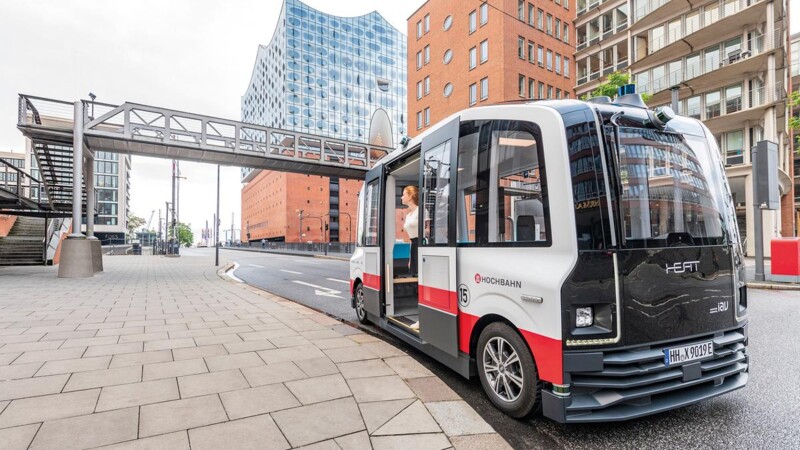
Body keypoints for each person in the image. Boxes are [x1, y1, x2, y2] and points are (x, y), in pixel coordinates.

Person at [401, 185, 419, 277]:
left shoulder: (421, 211)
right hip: (413, 246)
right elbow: (411, 239)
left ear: (410, 196)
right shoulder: (408, 215)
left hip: (421, 246)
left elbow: (427, 231)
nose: (401, 197)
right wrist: (410, 258)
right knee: (413, 273)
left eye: (404, 195)